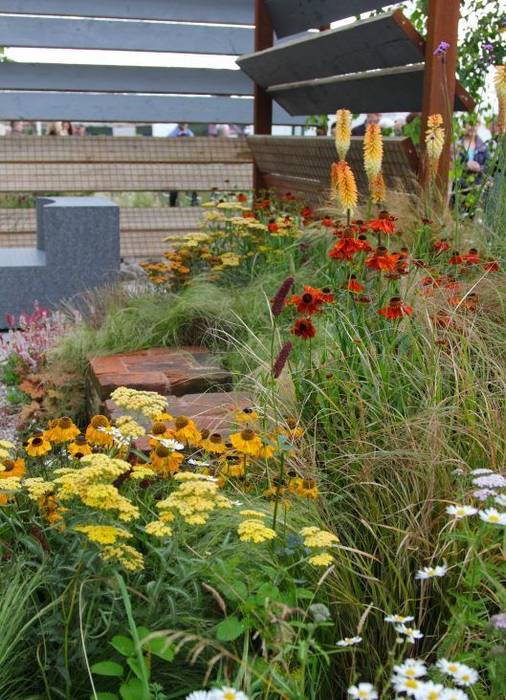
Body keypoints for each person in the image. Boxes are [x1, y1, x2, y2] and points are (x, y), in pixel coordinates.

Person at [168, 123, 198, 207]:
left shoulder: (190, 134)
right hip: (176, 163)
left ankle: (194, 202)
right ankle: (173, 204)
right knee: (174, 186)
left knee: (192, 182)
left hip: (188, 163)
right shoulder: (172, 135)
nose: (184, 125)